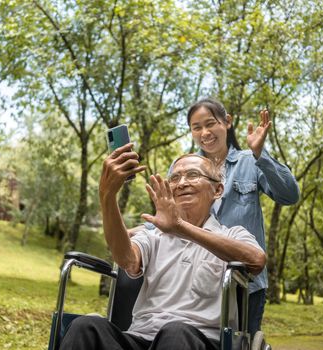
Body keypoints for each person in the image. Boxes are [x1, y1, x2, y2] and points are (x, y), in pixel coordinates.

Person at [59, 144, 266, 350]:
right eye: (174, 178)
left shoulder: (232, 235)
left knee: (175, 332)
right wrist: (107, 196)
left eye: (193, 175)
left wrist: (181, 227)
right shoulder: (153, 236)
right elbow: (127, 259)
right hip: (141, 336)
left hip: (198, 340)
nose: (182, 183)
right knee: (85, 327)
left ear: (218, 189)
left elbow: (256, 260)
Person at [183, 98, 300, 336]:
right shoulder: (184, 169)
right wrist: (142, 231)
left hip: (244, 282)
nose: (204, 133)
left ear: (227, 122)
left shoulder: (250, 161)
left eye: (210, 124)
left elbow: (289, 195)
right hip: (195, 278)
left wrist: (260, 154)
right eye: (197, 127)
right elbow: (172, 218)